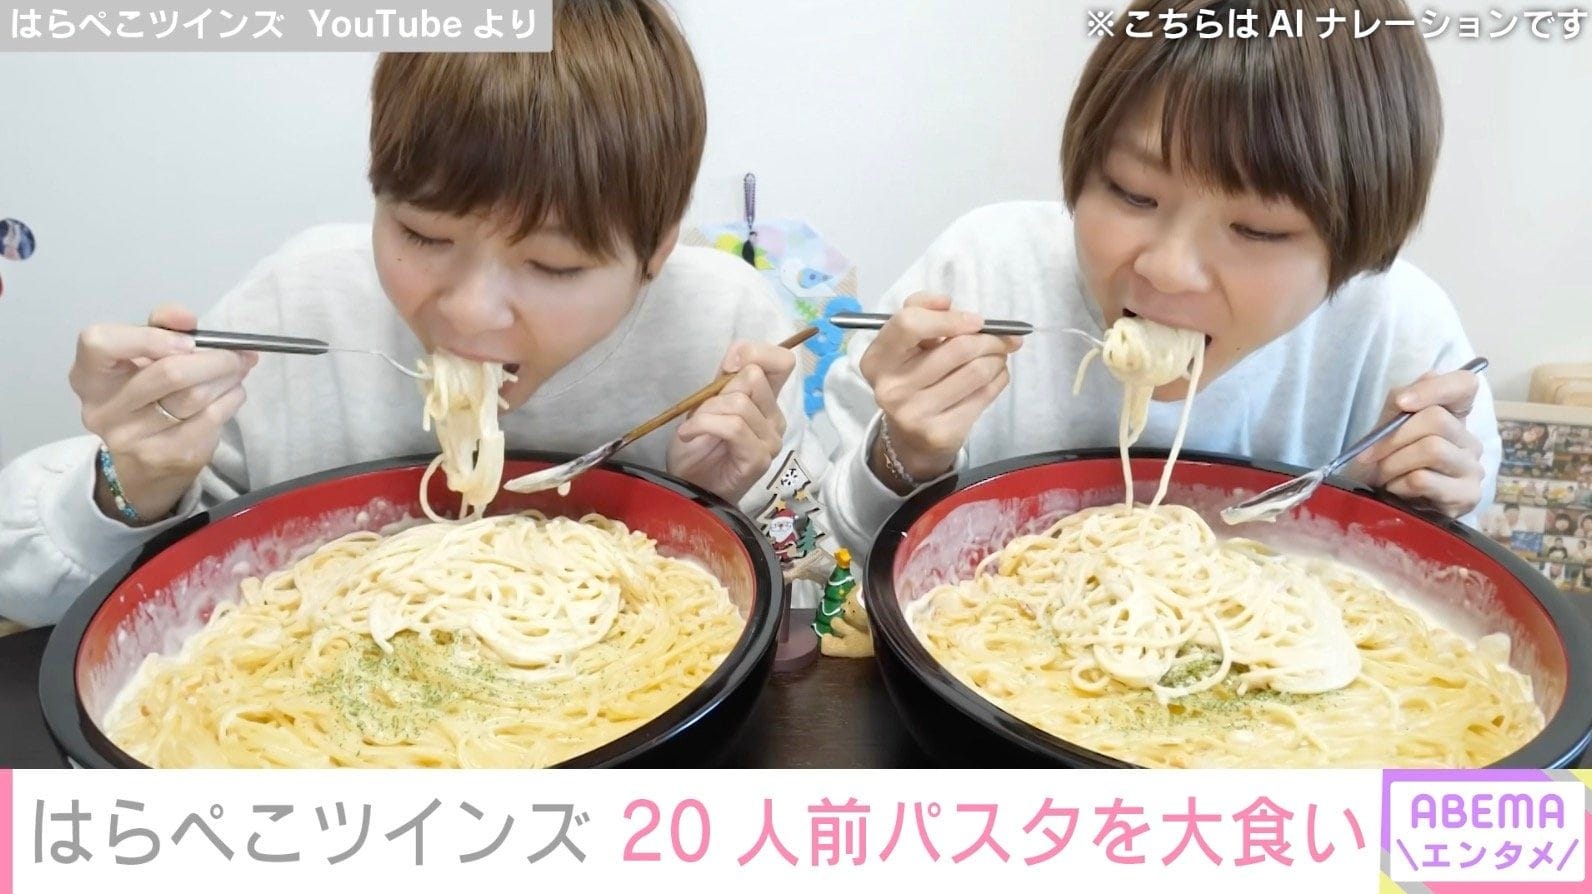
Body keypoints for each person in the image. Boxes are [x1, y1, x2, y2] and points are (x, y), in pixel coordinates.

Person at [0, 1, 822, 627]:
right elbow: (36, 592)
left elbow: (820, 574)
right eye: (423, 236)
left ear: (655, 250)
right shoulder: (304, 299)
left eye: (552, 266)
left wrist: (747, 496)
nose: (469, 311)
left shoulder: (722, 328)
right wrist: (134, 483)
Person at [821, 0, 1500, 562]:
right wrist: (905, 455)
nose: (1167, 269)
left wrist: (1418, 515)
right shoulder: (984, 270)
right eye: (1132, 193)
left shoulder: (1400, 339)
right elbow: (843, 546)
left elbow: (1438, 597)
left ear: (1357, 247)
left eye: (1257, 230)